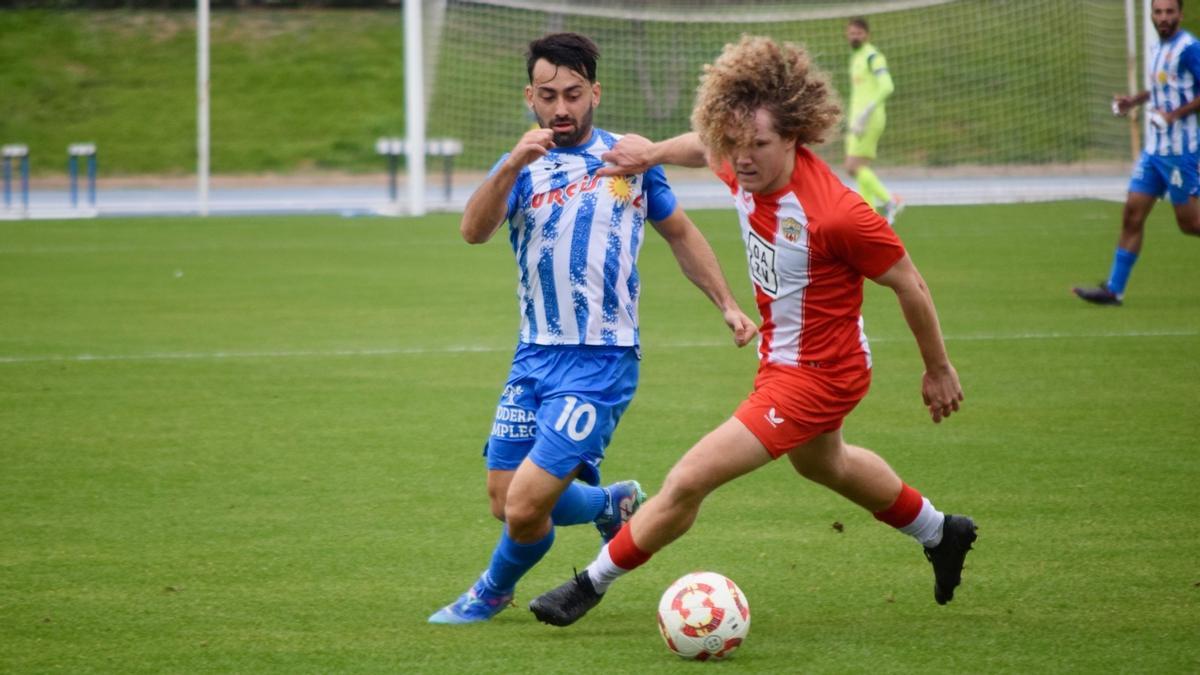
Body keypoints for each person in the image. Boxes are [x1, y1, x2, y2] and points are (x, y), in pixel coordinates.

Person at [528, 35, 976, 628]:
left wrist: (938, 367)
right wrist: (652, 152)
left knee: (689, 479)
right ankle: (942, 532)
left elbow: (910, 283)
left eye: (758, 145)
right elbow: (702, 148)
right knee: (824, 464)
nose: (741, 159)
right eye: (735, 143)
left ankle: (588, 584)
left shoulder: (837, 214)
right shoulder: (741, 160)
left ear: (794, 136)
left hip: (819, 376)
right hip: (786, 358)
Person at [428, 32, 757, 625]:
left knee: (529, 507)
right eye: (549, 95)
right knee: (505, 503)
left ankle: (489, 592)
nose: (561, 108)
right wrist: (510, 164)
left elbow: (680, 234)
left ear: (595, 93)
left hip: (601, 361)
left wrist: (728, 304)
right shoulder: (521, 169)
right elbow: (473, 231)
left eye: (573, 94)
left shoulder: (630, 161)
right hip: (532, 356)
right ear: (530, 96)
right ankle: (613, 501)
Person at [1074, 0, 1200, 306]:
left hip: (1181, 153)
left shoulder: (1189, 48)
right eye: (1158, 12)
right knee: (1132, 213)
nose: (1164, 18)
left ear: (1180, 14)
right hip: (1155, 152)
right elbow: (1162, 89)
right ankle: (1114, 290)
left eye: (1170, 12)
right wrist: (1133, 101)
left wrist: (1173, 116)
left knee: (1190, 224)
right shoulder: (1157, 49)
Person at [845, 16, 903, 225]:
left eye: (858, 33)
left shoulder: (873, 56)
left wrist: (868, 110)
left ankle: (889, 201)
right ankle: (870, 215)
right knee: (859, 169)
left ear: (867, 35)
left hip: (869, 118)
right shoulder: (856, 57)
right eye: (851, 33)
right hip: (858, 120)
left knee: (853, 166)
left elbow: (887, 86)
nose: (854, 36)